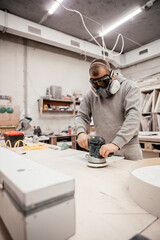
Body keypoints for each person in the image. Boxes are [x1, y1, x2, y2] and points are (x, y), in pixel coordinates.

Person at [76, 59, 143, 160]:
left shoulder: (129, 87)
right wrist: (80, 132)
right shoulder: (90, 95)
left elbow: (133, 117)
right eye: (95, 84)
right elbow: (81, 116)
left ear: (112, 75)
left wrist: (116, 143)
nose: (100, 88)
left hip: (128, 149)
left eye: (103, 82)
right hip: (104, 149)